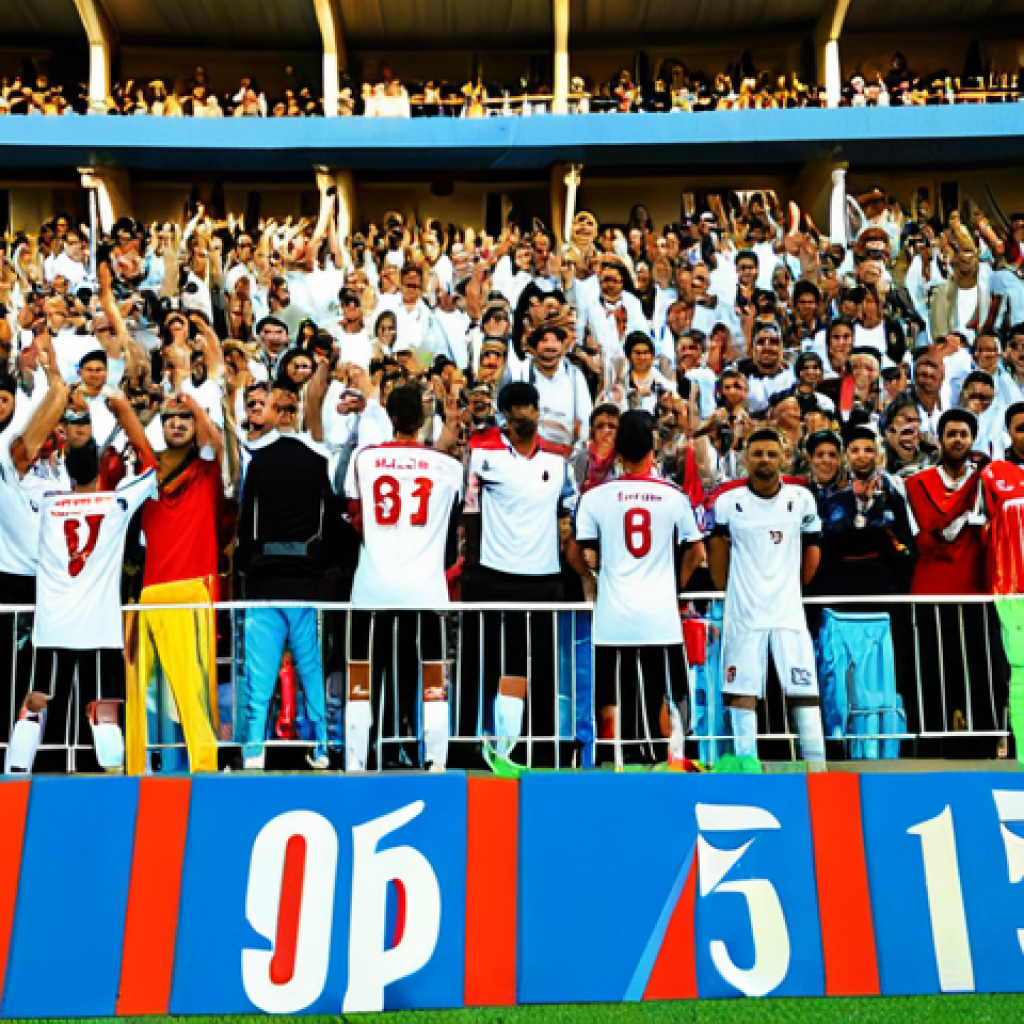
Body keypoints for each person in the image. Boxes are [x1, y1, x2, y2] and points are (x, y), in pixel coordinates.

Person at [5, 390, 157, 774]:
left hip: (53, 625)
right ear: (101, 471)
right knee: (104, 711)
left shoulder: (48, 504)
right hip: (100, 628)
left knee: (35, 702)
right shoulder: (117, 503)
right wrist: (123, 412)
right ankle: (109, 784)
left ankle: (16, 779)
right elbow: (151, 465)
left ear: (67, 470)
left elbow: (18, 472)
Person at [570, 410, 705, 766]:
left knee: (613, 692)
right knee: (668, 693)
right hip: (660, 615)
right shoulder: (672, 495)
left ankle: (614, 760)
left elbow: (580, 551)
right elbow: (696, 551)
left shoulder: (597, 497)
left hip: (614, 616)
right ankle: (674, 759)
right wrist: (675, 586)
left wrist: (594, 579)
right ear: (652, 449)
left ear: (616, 448)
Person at [344, 384, 464, 771]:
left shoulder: (366, 459)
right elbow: (454, 520)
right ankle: (436, 762)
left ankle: (357, 763)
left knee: (361, 679)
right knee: (433, 679)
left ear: (390, 417)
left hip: (372, 585)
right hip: (425, 586)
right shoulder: (448, 466)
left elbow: (354, 514)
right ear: (423, 419)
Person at [466, 380, 576, 768]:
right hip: (495, 578)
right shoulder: (483, 456)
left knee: (541, 669)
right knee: (493, 667)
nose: (525, 415)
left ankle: (540, 748)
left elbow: (567, 518)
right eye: (517, 409)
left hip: (544, 580)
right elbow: (469, 513)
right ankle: (487, 748)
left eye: (531, 407)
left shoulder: (557, 463)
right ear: (505, 416)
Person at [708, 427, 826, 769]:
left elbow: (812, 549)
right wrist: (726, 590)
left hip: (788, 613)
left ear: (783, 458)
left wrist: (795, 587)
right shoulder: (729, 503)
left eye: (771, 454)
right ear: (745, 458)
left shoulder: (800, 500)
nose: (764, 460)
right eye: (757, 454)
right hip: (745, 615)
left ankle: (817, 767)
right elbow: (717, 549)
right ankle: (747, 764)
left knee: (803, 692)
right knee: (742, 693)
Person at [125, 393, 224, 775]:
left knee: (192, 689)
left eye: (186, 419)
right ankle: (139, 767)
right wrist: (129, 407)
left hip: (194, 589)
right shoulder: (148, 473)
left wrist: (197, 408)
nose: (179, 424)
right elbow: (134, 439)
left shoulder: (206, 470)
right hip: (150, 593)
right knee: (143, 690)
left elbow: (217, 444)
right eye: (171, 419)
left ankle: (203, 766)